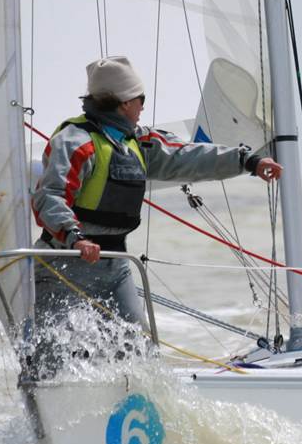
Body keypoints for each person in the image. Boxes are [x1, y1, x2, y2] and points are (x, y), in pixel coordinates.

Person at [31, 56, 282, 344]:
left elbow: (188, 156)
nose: (143, 106)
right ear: (125, 102)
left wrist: (246, 161)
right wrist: (75, 239)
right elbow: (49, 196)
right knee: (52, 353)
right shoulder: (75, 142)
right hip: (66, 262)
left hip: (115, 265)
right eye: (141, 98)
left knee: (140, 349)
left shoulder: (139, 142)